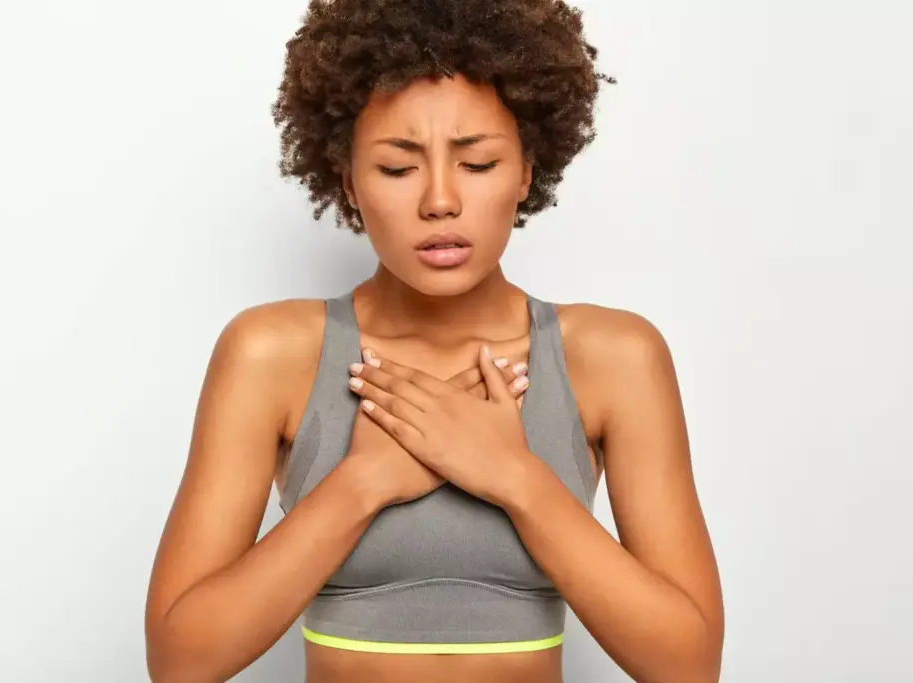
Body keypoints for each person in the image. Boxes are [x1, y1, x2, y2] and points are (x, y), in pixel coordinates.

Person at [144, 1, 724, 681]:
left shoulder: (614, 357)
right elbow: (181, 661)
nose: (440, 201)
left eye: (477, 164)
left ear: (527, 170)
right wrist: (360, 483)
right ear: (348, 182)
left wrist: (513, 475)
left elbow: (688, 664)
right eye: (397, 168)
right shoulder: (270, 353)